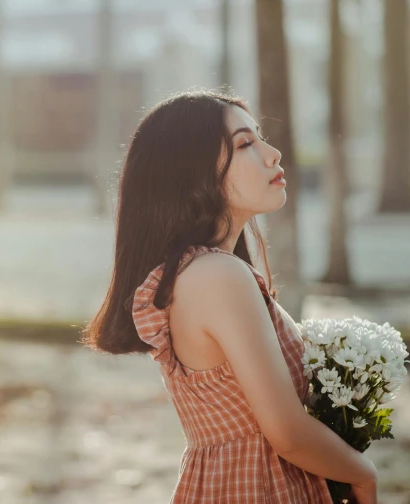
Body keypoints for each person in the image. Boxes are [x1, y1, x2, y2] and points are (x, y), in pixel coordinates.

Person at [82, 90, 378, 503]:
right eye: (245, 144)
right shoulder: (217, 275)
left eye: (260, 136)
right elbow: (287, 433)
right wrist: (362, 473)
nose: (273, 154)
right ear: (193, 173)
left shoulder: (198, 272)